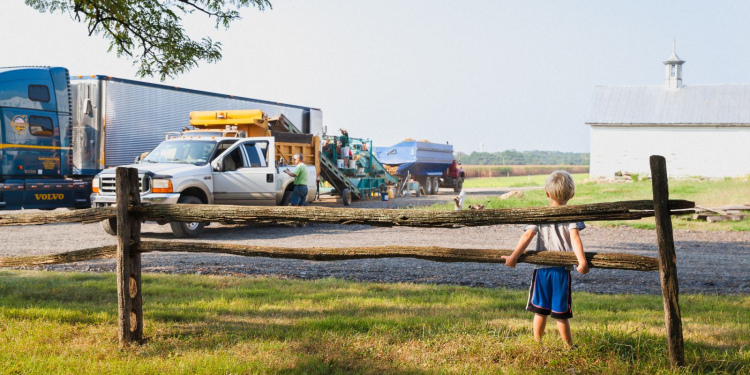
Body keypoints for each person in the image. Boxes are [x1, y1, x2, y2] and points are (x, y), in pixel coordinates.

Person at [501, 170, 589, 348]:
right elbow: (575, 238)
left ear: (547, 193)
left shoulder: (540, 214)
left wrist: (513, 257)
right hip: (561, 271)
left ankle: (537, 343)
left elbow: (527, 236)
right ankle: (568, 346)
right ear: (572, 194)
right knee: (561, 312)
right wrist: (582, 261)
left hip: (541, 270)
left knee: (540, 310)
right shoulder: (571, 214)